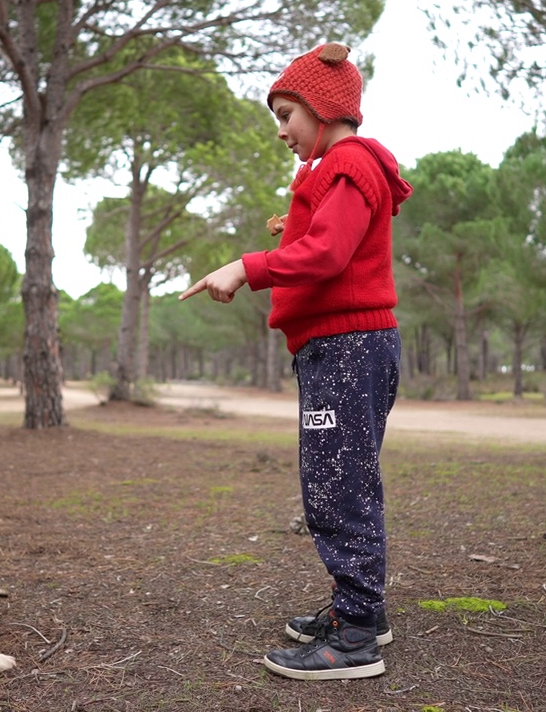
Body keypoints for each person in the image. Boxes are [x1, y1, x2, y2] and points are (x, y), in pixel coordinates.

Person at [179, 42, 413, 680]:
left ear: (323, 105)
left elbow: (330, 255)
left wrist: (247, 266)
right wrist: (297, 226)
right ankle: (359, 609)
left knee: (338, 487)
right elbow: (330, 240)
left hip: (346, 347)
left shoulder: (350, 161)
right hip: (341, 346)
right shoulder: (336, 168)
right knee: (342, 478)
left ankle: (356, 636)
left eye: (287, 113)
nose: (281, 130)